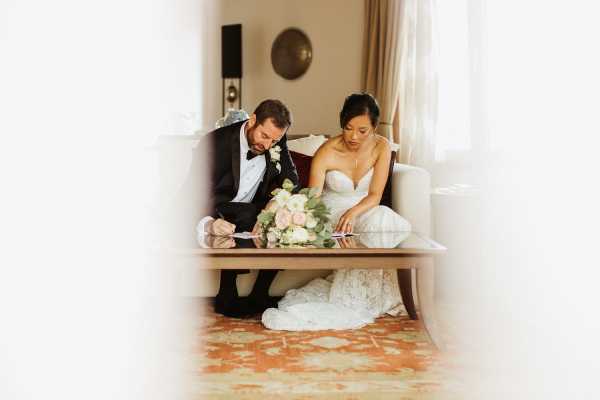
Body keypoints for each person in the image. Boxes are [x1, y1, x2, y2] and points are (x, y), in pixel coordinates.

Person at [261, 93, 412, 330]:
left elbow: (375, 195)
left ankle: (362, 296)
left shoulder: (382, 147)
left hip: (365, 208)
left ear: (374, 126)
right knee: (374, 221)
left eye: (362, 131)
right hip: (333, 212)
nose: (353, 136)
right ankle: (356, 298)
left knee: (384, 219)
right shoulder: (327, 151)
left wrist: (353, 213)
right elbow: (315, 198)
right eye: (348, 128)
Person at [192, 99, 299, 318]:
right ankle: (226, 292)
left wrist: (272, 207)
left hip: (255, 208)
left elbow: (292, 180)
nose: (268, 145)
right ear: (252, 120)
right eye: (264, 136)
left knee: (283, 217)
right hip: (220, 207)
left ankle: (260, 293)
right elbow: (195, 191)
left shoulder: (276, 140)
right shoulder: (214, 143)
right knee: (247, 213)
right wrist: (209, 222)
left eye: (274, 140)